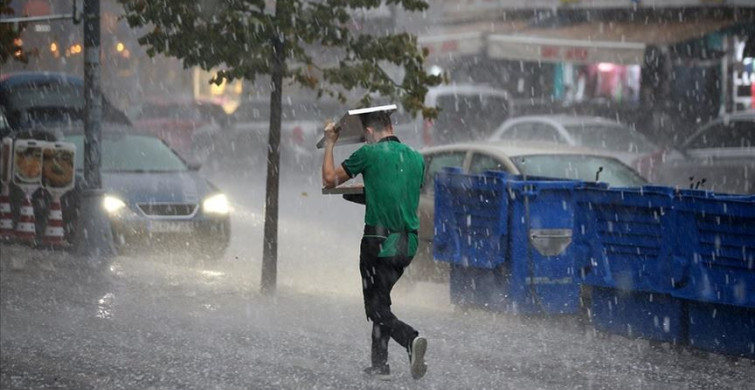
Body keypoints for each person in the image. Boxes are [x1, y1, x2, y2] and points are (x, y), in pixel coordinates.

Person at [321, 109, 428, 380]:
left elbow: (329, 179)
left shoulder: (368, 154)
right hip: (408, 244)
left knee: (375, 307)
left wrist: (331, 142)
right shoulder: (416, 158)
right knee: (381, 300)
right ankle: (380, 365)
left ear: (369, 131)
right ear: (390, 125)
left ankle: (409, 338)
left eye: (365, 135)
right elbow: (397, 195)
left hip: (378, 242)